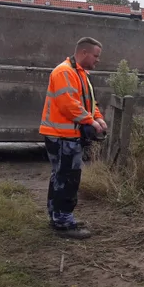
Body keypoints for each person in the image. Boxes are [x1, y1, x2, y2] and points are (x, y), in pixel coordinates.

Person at [39, 37, 108, 239]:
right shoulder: (64, 72)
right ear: (84, 53)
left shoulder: (80, 74)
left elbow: (88, 102)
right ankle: (63, 222)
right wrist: (91, 122)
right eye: (96, 56)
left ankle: (58, 217)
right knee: (67, 178)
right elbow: (68, 105)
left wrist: (98, 118)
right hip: (61, 136)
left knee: (61, 177)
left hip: (66, 135)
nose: (98, 60)